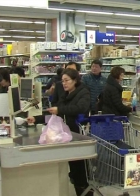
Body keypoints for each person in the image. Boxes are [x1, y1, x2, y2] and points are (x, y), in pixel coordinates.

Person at [26, 68, 91, 196]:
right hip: (67, 136)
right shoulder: (65, 94)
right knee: (74, 168)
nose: (64, 83)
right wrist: (37, 119)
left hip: (79, 135)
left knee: (80, 169)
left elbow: (79, 108)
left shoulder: (83, 93)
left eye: (67, 80)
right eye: (62, 81)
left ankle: (85, 192)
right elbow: (56, 114)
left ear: (75, 80)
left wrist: (60, 109)